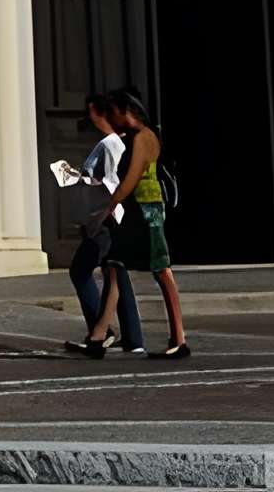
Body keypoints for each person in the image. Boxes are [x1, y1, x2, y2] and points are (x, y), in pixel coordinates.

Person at [103, 87, 190, 361]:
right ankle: (100, 332)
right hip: (141, 208)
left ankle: (179, 338)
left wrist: (114, 201)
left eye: (113, 114)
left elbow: (132, 176)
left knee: (161, 270)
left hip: (148, 209)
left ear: (123, 111)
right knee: (116, 263)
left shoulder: (144, 137)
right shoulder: (140, 136)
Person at [61, 93, 144, 357]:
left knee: (81, 270)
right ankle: (133, 338)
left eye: (92, 112)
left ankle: (102, 332)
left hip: (105, 219)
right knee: (118, 275)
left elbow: (109, 184)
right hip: (111, 217)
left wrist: (78, 178)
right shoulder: (119, 142)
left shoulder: (109, 145)